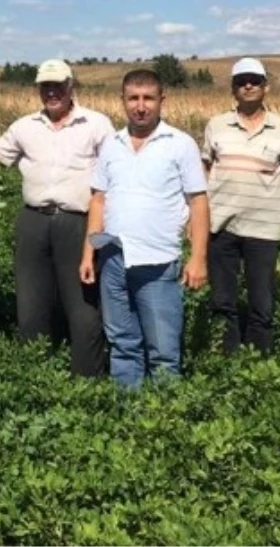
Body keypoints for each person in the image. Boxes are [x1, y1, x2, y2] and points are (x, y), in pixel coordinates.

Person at [0, 58, 114, 377]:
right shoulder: (24, 127)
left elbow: (114, 174)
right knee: (32, 301)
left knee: (83, 303)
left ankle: (87, 379)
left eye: (58, 85)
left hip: (79, 222)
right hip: (34, 221)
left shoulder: (96, 124)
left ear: (71, 86)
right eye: (45, 86)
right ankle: (35, 375)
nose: (52, 92)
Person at [78, 69, 209, 388]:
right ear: (122, 101)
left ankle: (163, 421)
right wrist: (88, 254)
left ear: (162, 101)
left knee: (163, 349)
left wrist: (199, 258)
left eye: (148, 98)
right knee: (123, 344)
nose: (141, 106)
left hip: (159, 262)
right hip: (113, 260)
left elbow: (199, 203)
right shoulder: (112, 144)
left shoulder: (180, 144)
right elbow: (98, 200)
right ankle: (129, 416)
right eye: (133, 98)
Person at [202, 57, 280, 356]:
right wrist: (197, 218)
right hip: (221, 225)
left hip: (264, 228)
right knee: (223, 300)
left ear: (265, 87)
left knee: (262, 301)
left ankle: (259, 363)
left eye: (254, 80)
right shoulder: (216, 125)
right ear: (233, 89)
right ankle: (226, 359)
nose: (248, 85)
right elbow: (204, 170)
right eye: (241, 81)